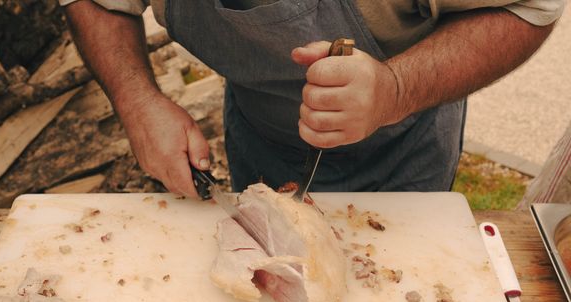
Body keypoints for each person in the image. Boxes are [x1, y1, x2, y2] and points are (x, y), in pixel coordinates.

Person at [60, 0, 564, 197]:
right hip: (259, 134)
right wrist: (138, 101)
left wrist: (396, 88)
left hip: (400, 148)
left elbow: (528, 8)